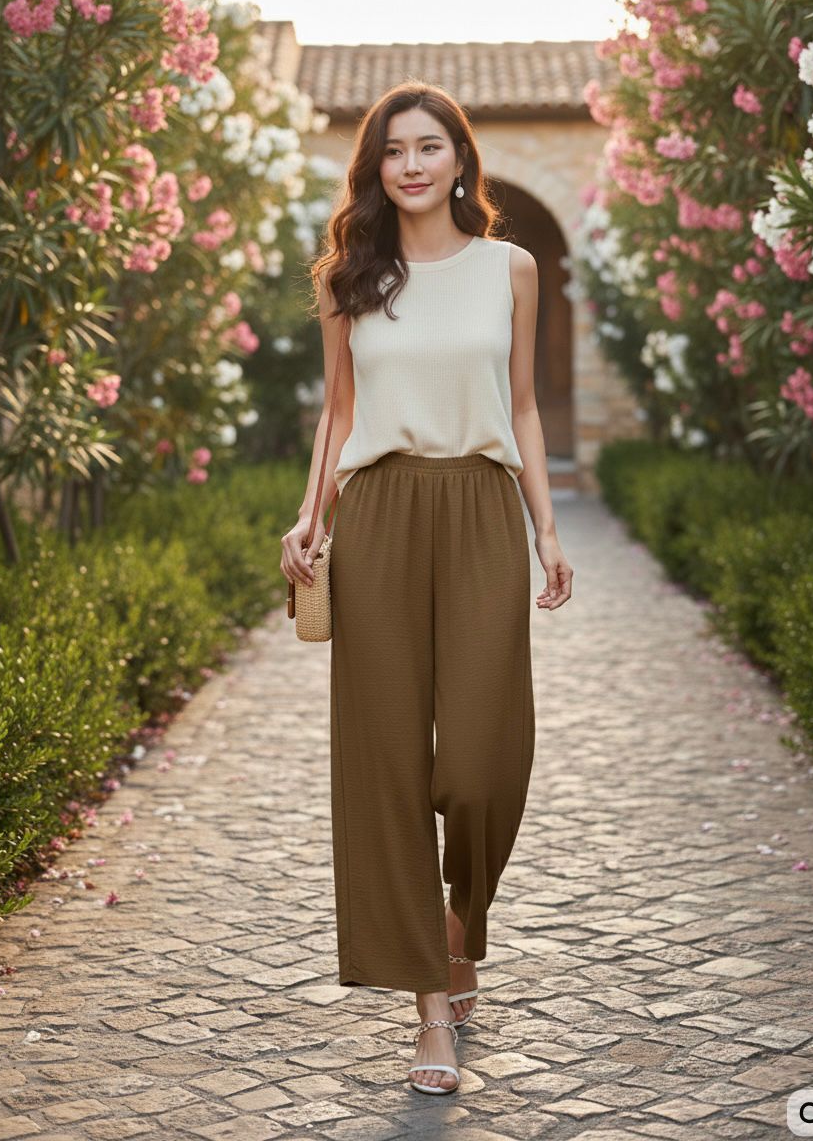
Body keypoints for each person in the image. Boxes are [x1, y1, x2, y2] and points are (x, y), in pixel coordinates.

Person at [281, 80, 573, 1096]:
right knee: (390, 761)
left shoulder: (511, 268)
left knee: (488, 755)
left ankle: (458, 923)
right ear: (377, 167)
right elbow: (337, 410)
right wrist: (311, 512)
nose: (411, 163)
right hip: (379, 515)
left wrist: (546, 527)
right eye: (393, 150)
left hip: (485, 506)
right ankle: (431, 1009)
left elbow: (526, 407)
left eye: (430, 145)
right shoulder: (349, 276)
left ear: (459, 159)